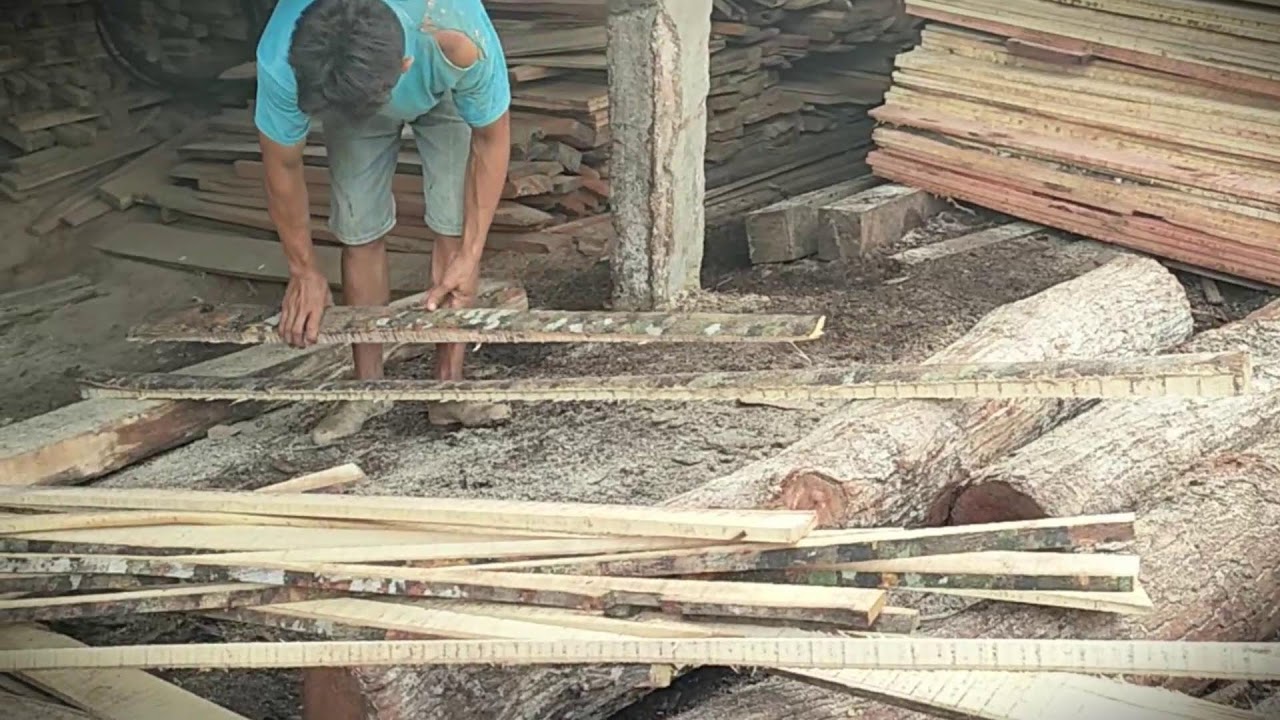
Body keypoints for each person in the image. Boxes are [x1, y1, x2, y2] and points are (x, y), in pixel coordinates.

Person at [253, 0, 512, 445]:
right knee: (358, 228)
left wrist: (471, 253)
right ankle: (368, 388)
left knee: (454, 225)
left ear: (405, 63)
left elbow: (491, 139)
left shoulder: (458, 33)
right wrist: (303, 269)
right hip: (351, 88)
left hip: (444, 90)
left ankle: (447, 389)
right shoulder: (285, 57)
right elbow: (282, 165)